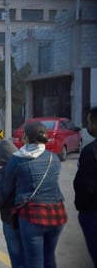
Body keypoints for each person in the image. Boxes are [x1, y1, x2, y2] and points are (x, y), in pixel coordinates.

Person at [3, 121, 68, 268]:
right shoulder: (54, 158)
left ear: (25, 137)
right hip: (57, 214)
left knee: (34, 261)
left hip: (33, 217)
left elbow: (7, 189)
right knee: (49, 258)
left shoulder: (17, 159)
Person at [0, 139, 24, 268]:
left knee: (16, 254)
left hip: (9, 217)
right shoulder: (25, 167)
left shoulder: (0, 173)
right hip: (28, 217)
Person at [74, 106, 97, 267]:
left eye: (89, 122)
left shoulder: (91, 151)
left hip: (92, 212)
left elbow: (89, 185)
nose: (87, 125)